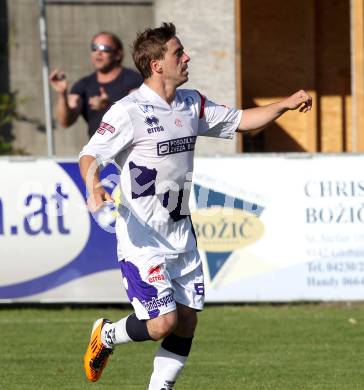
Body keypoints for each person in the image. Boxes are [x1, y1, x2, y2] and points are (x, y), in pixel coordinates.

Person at [79, 23, 312, 389]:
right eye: (178, 53)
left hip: (181, 234)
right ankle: (107, 336)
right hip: (143, 239)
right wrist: (94, 187)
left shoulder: (192, 103)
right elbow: (90, 153)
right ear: (157, 65)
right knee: (162, 324)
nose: (186, 57)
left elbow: (241, 121)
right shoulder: (129, 110)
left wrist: (282, 104)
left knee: (186, 320)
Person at [50, 31, 143, 138]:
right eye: (94, 48)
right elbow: (65, 122)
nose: (98, 53)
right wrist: (62, 94)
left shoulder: (134, 80)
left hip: (129, 151)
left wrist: (109, 106)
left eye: (105, 49)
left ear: (118, 54)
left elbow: (143, 115)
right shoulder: (83, 85)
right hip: (98, 153)